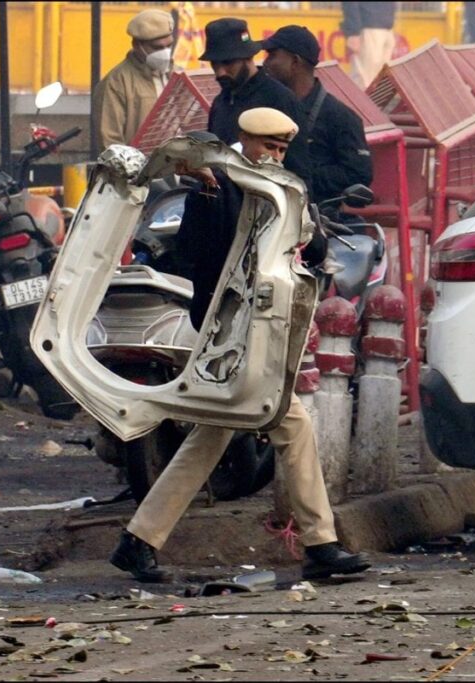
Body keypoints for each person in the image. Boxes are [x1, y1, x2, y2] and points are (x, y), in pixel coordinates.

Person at [109, 107, 370, 583]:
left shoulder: (280, 188)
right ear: (243, 142)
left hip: (257, 330)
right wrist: (209, 188)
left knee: (213, 435)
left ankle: (138, 541)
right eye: (266, 147)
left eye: (281, 149)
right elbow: (195, 250)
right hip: (225, 331)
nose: (273, 155)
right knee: (291, 423)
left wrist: (305, 217)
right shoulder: (217, 186)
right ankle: (321, 543)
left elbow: (310, 251)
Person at [263, 25, 373, 204]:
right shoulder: (267, 108)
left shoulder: (340, 117)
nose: (266, 63)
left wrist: (298, 175)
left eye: (272, 55)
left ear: (295, 62)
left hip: (320, 218)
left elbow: (358, 173)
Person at [201, 17, 312, 185]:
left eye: (228, 63)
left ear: (247, 57)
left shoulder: (279, 99)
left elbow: (298, 172)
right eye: (214, 65)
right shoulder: (220, 103)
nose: (220, 72)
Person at [93, 9, 176, 148]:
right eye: (157, 48)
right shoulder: (117, 82)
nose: (165, 52)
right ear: (137, 45)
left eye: (169, 45)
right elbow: (110, 142)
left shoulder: (176, 75)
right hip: (139, 167)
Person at [340, 1, 396, 88]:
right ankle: (358, 101)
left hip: (385, 26)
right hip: (368, 27)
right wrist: (353, 32)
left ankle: (366, 100)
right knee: (363, 80)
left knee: (378, 80)